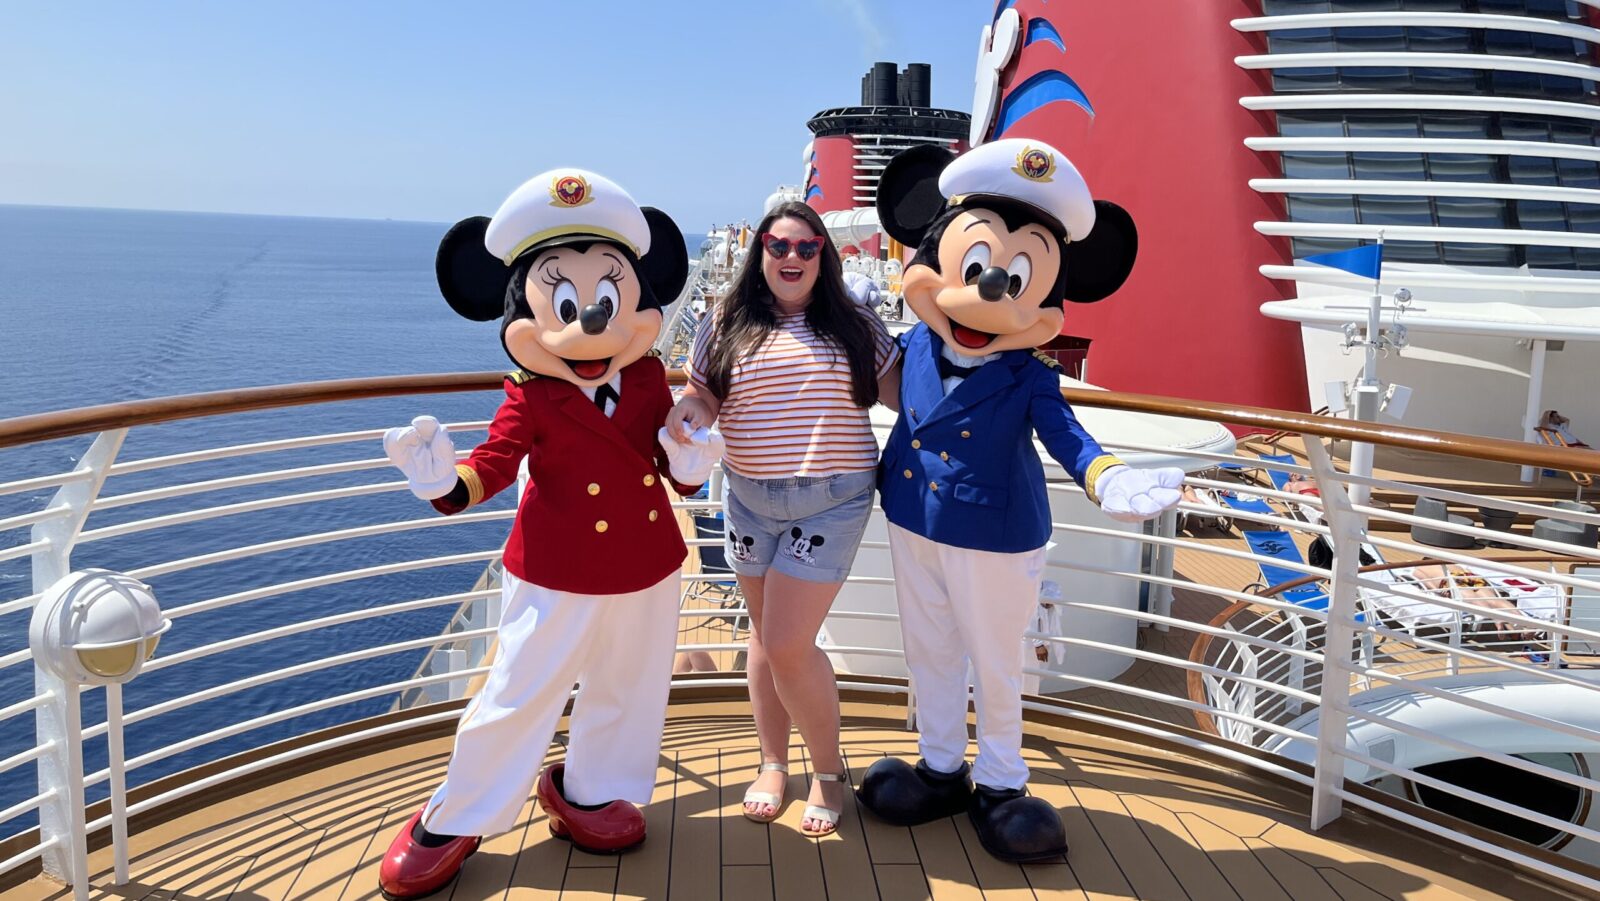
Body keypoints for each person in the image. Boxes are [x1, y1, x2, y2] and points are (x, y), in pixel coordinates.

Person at [668, 201, 900, 836]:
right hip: (749, 498)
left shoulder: (854, 323)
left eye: (806, 247)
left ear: (823, 255)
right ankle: (773, 763)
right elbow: (704, 393)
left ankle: (827, 772)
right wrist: (686, 416)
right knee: (764, 640)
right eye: (778, 246)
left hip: (832, 499)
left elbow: (906, 390)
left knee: (788, 643)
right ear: (759, 252)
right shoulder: (727, 321)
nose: (792, 257)